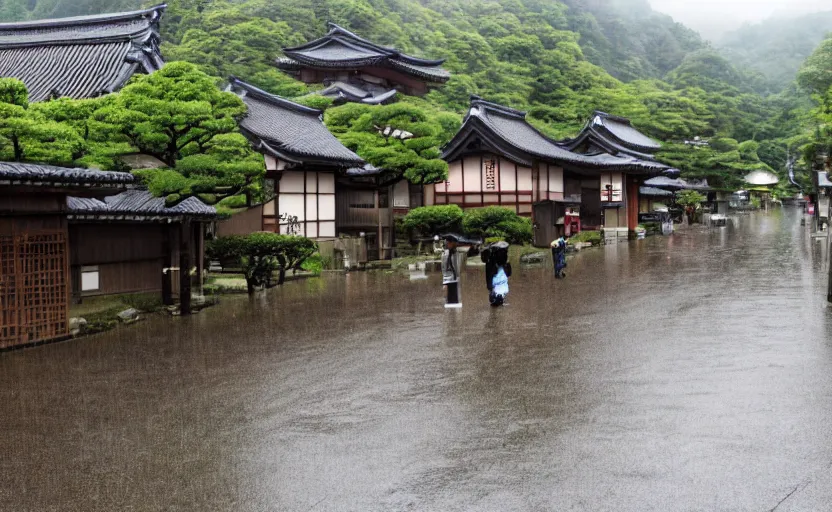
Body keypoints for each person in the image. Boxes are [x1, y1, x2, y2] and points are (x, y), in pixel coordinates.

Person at [482, 241, 511, 306]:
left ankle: (497, 298)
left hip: (498, 275)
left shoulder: (492, 259)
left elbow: (489, 275)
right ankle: (497, 298)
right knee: (499, 286)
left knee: (498, 286)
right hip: (498, 275)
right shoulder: (495, 259)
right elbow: (508, 272)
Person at [441, 234, 463, 308]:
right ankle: (448, 301)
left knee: (453, 294)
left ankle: (450, 303)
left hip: (453, 277)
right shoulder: (446, 253)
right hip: (449, 276)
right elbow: (445, 265)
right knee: (448, 290)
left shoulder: (454, 252)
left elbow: (456, 265)